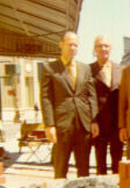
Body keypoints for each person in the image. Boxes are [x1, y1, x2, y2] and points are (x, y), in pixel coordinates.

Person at [40, 31, 99, 178]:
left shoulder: (85, 69)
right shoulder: (50, 68)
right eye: (69, 45)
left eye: (75, 45)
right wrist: (49, 125)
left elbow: (91, 95)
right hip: (62, 125)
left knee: (84, 169)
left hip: (83, 124)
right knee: (60, 168)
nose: (73, 48)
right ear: (61, 45)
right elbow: (46, 98)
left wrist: (94, 120)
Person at [90, 35, 123, 174]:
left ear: (111, 49)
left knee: (118, 161)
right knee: (100, 162)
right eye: (99, 46)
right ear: (94, 49)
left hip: (117, 123)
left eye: (106, 46)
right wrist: (93, 121)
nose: (103, 49)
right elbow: (86, 98)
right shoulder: (88, 70)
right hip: (99, 123)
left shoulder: (121, 69)